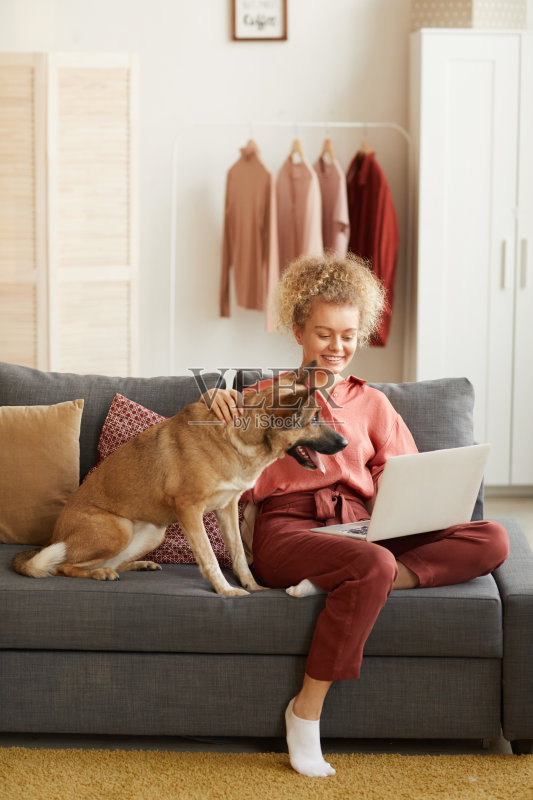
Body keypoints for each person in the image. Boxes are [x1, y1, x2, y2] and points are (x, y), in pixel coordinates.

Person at [203, 252, 509, 778]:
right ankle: (305, 712)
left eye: (347, 336)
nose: (336, 348)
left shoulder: (375, 405)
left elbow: (405, 478)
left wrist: (408, 508)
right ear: (299, 331)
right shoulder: (261, 397)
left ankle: (338, 580)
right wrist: (215, 405)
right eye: (323, 334)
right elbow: (212, 470)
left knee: (493, 538)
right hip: (288, 531)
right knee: (374, 565)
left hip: (362, 526)